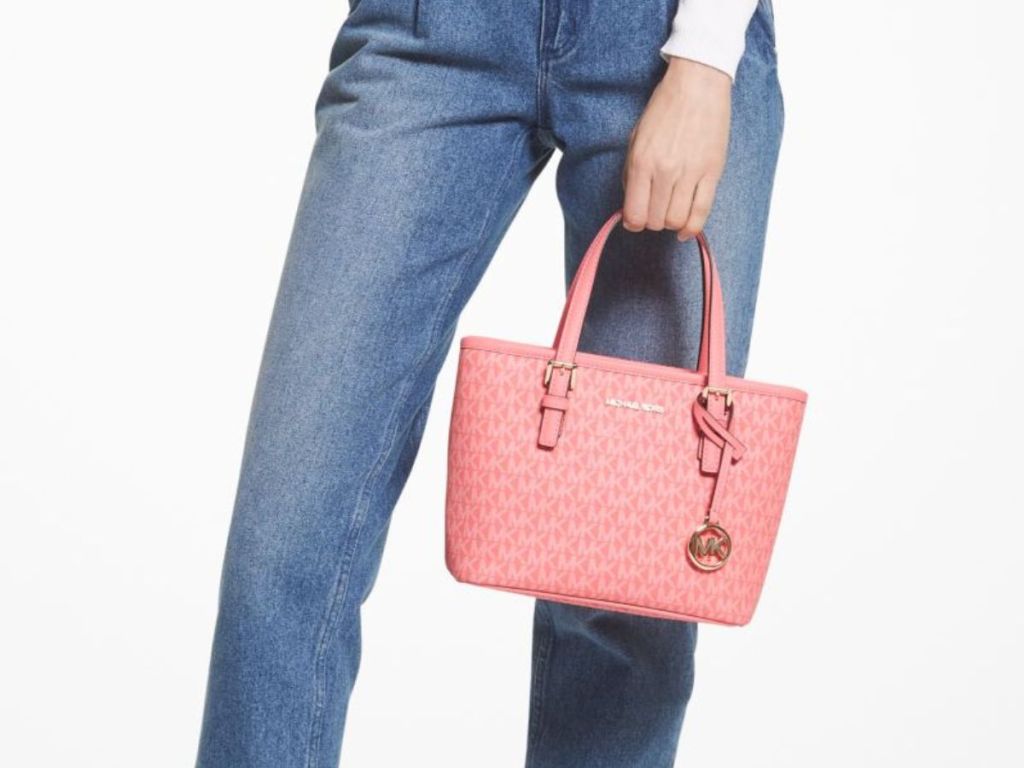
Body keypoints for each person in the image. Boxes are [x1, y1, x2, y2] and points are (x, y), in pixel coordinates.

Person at [196, 0, 782, 765]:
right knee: (285, 549)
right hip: (432, 33)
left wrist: (706, 54)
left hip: (663, 40)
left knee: (627, 590)